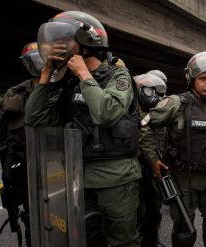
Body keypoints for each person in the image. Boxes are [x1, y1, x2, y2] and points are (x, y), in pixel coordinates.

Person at [25, 11, 141, 247]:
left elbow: (107, 113)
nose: (57, 45)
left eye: (65, 39)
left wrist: (84, 74)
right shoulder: (67, 82)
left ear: (87, 41)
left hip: (116, 179)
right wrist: (47, 75)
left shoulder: (117, 75)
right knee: (86, 239)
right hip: (78, 178)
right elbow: (34, 118)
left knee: (123, 241)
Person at [141, 51, 206, 247]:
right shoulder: (176, 104)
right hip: (184, 180)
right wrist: (153, 159)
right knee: (184, 230)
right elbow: (145, 126)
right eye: (203, 78)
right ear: (192, 80)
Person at [0, 42, 43, 247]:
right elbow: (4, 137)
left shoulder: (62, 87)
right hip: (25, 166)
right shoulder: (16, 93)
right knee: (32, 218)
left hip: (58, 164)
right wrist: (7, 170)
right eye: (31, 61)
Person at [135, 72, 167, 247]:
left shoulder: (157, 114)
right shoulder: (129, 113)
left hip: (153, 168)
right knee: (137, 212)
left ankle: (152, 240)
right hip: (137, 168)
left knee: (154, 210)